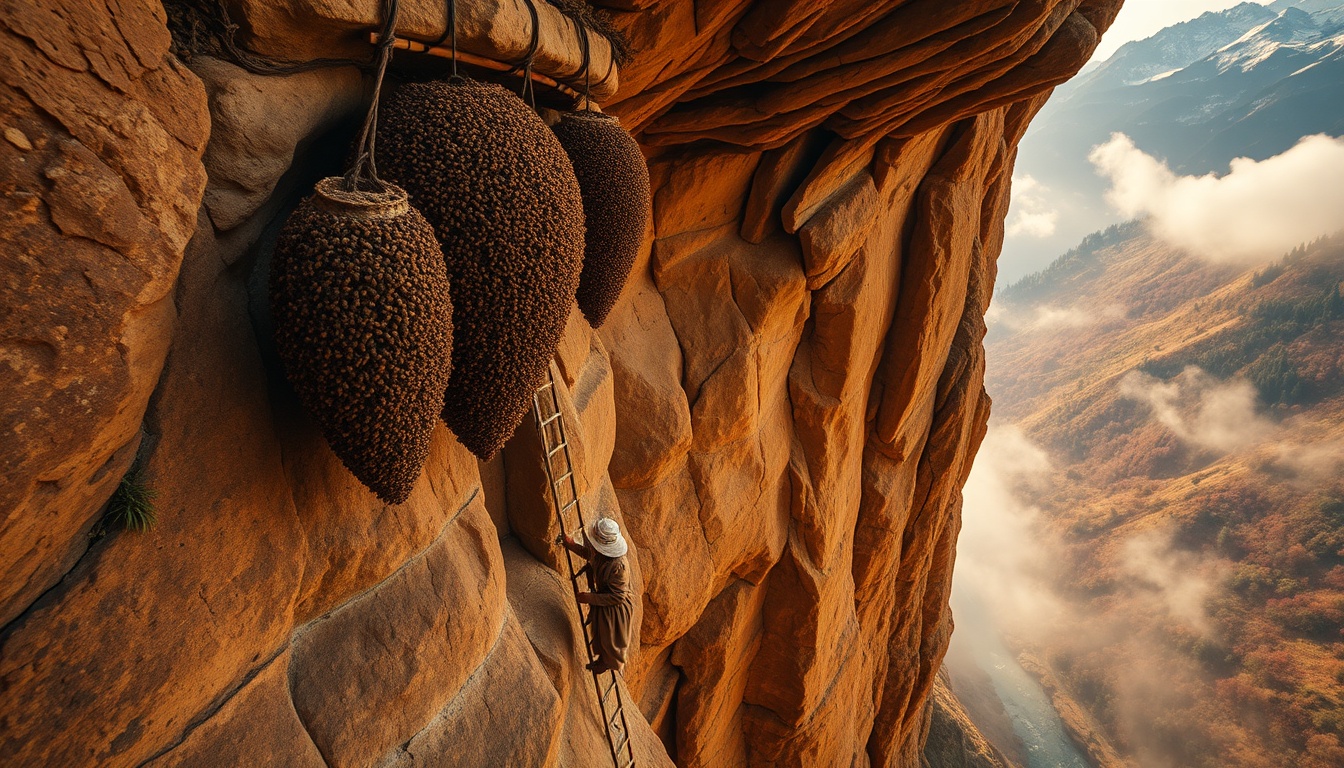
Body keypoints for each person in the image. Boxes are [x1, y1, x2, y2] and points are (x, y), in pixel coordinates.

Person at [558, 517, 633, 675]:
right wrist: (570, 544)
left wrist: (589, 598)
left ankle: (607, 663)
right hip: (603, 598)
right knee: (599, 631)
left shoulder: (619, 566)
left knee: (610, 638)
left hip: (615, 606)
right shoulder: (601, 554)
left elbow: (618, 596)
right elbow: (589, 554)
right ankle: (601, 659)